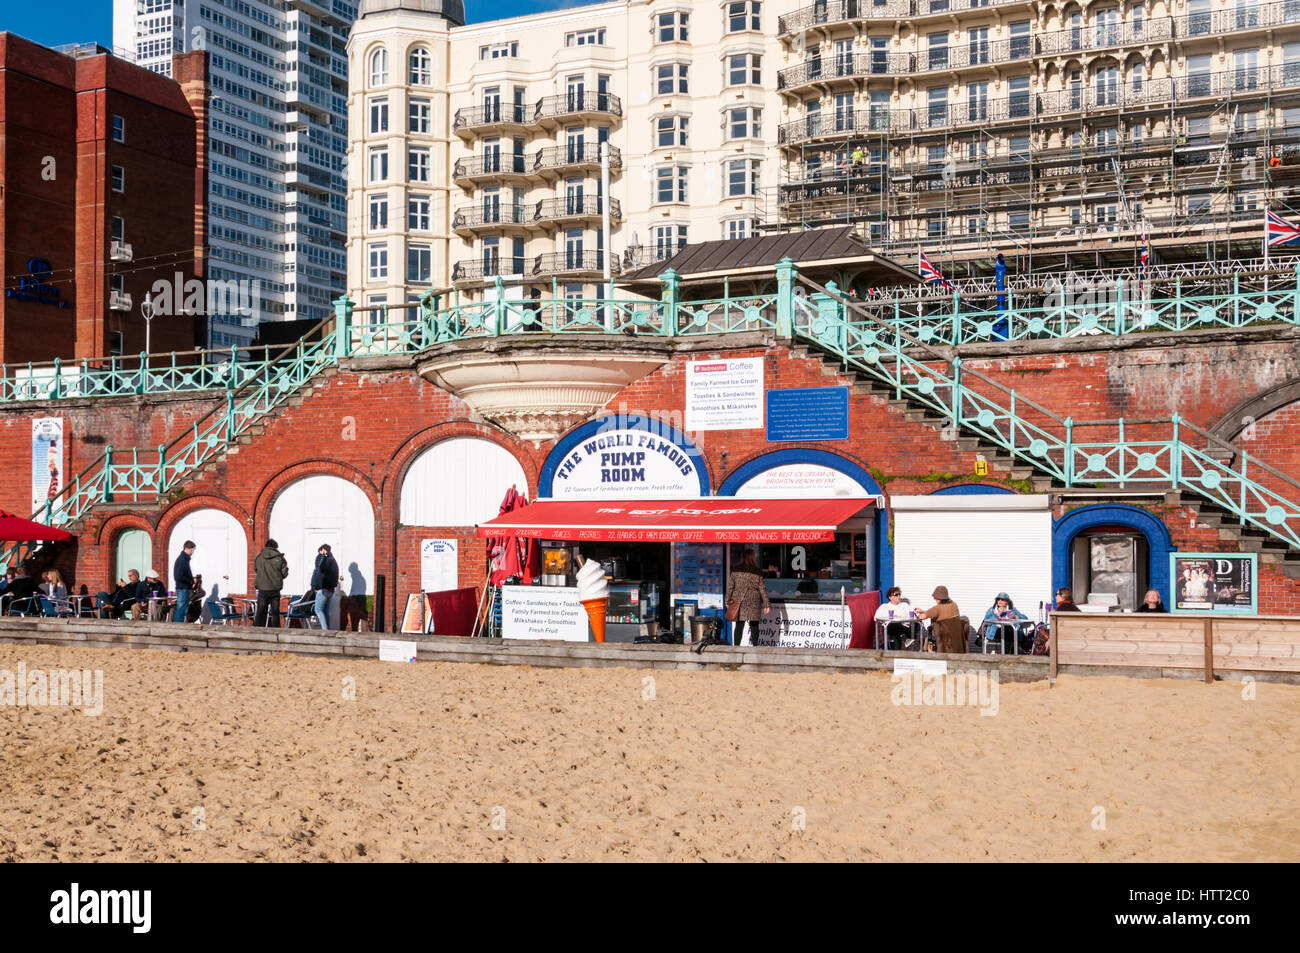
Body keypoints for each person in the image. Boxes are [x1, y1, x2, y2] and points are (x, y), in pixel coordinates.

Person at [725, 548, 770, 647]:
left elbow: (730, 586)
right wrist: (767, 604)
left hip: (739, 601)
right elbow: (762, 589)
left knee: (739, 625)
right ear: (753, 558)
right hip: (754, 601)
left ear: (743, 557)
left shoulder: (736, 569)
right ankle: (755, 646)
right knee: (754, 625)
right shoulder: (757, 571)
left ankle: (736, 646)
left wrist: (727, 601)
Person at [254, 538, 289, 627]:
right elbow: (284, 573)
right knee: (275, 612)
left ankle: (257, 631)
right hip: (275, 589)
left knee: (260, 612)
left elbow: (256, 570)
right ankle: (276, 632)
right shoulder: (280, 558)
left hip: (262, 588)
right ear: (275, 547)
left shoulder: (259, 557)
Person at [921, 585, 966, 654]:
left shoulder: (937, 609)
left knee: (929, 631)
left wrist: (918, 615)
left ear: (938, 598)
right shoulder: (954, 605)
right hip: (956, 639)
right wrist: (923, 611)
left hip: (943, 638)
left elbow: (923, 617)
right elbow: (940, 613)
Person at [874, 586, 919, 650]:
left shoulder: (904, 605)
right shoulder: (884, 607)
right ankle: (906, 638)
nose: (898, 596)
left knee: (896, 631)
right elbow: (876, 618)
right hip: (888, 628)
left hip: (903, 627)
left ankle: (895, 654)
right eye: (896, 595)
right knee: (893, 626)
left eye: (899, 594)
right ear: (890, 597)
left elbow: (913, 616)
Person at [311, 543, 340, 631]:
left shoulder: (325, 559)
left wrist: (322, 556)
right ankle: (328, 630)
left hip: (323, 589)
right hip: (330, 590)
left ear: (323, 550)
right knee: (325, 610)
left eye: (320, 551)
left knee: (318, 610)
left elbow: (320, 569)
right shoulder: (333, 560)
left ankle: (325, 631)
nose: (319, 554)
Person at [172, 541, 196, 622]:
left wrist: (192, 580)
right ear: (187, 548)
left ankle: (180, 627)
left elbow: (183, 574)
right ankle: (177, 628)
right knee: (181, 609)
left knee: (183, 609)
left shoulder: (184, 559)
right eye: (192, 550)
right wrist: (190, 581)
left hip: (184, 588)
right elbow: (178, 576)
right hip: (182, 588)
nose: (193, 552)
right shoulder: (182, 560)